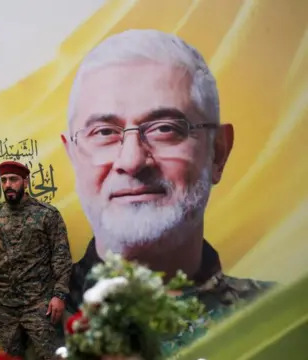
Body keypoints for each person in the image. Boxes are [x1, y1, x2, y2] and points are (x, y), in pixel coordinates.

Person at [60, 29, 275, 352]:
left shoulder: (281, 322)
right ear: (73, 156)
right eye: (104, 132)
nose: (131, 161)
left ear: (218, 152)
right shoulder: (20, 329)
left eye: (164, 129)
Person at [0, 160, 73, 360]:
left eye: (13, 180)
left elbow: (61, 258)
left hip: (40, 304)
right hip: (4, 307)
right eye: (4, 180)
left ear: (25, 182)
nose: (8, 185)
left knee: (50, 357)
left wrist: (59, 295)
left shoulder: (47, 214)